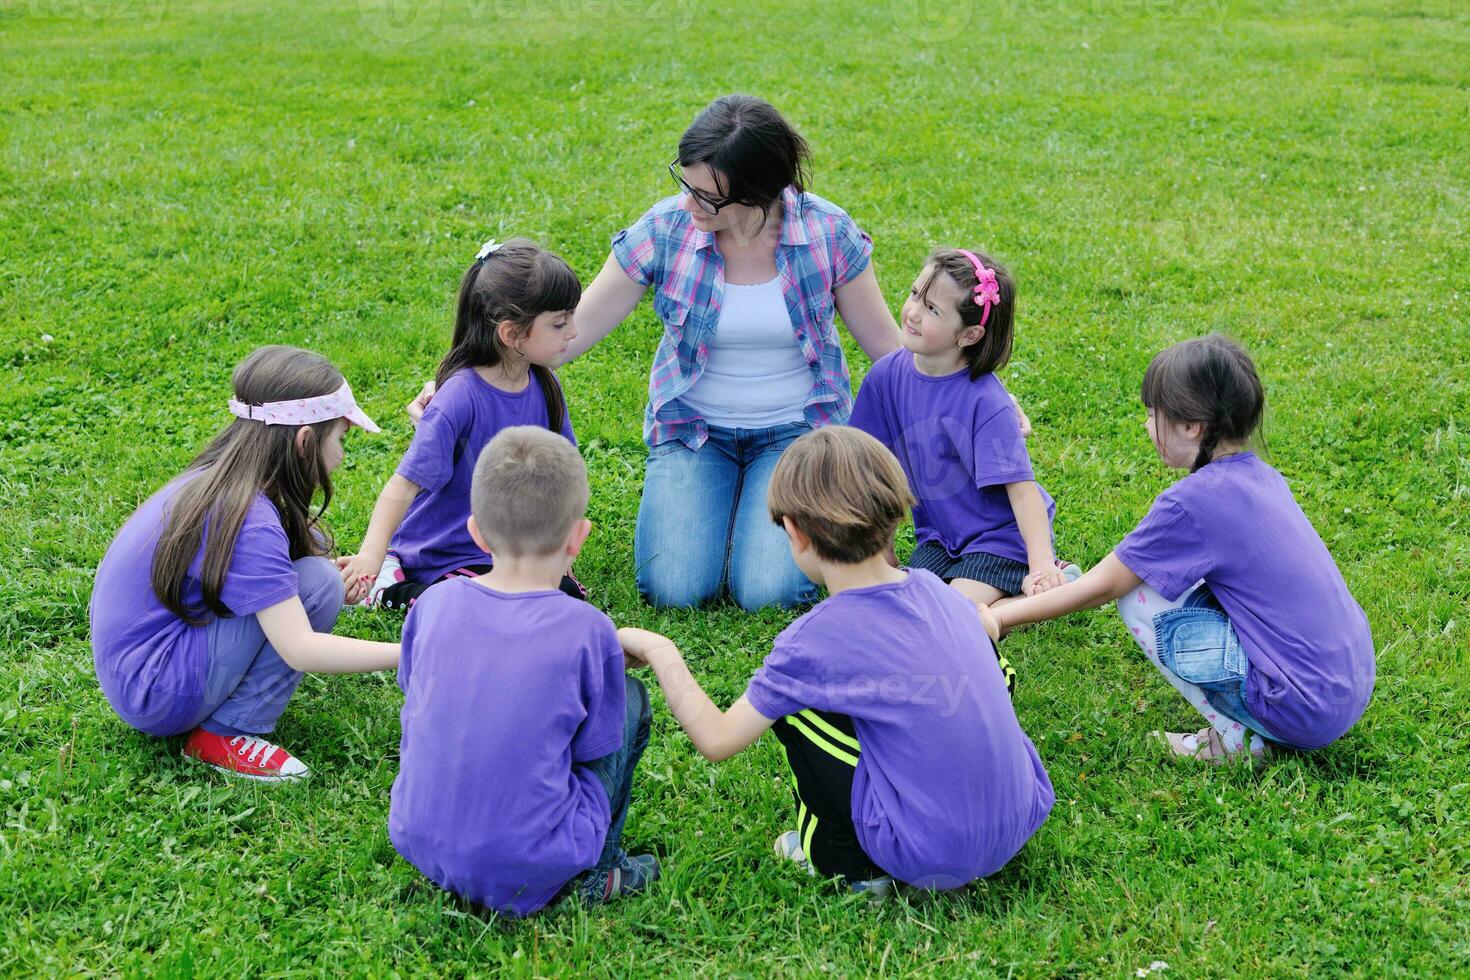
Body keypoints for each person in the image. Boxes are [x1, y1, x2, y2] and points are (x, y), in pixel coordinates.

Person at [619, 427, 1054, 894]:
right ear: (896, 513)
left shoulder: (810, 644)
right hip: (1022, 815)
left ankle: (848, 862)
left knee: (798, 705)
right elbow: (985, 629)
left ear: (795, 532)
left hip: (928, 854)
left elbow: (718, 739)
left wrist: (660, 651)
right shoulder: (941, 591)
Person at [982, 336, 1375, 764]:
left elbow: (1105, 585)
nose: (1147, 426)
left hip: (1300, 708)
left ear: (1192, 426)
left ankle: (1237, 741)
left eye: (1153, 414)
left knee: (1138, 594)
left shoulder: (1191, 502)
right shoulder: (1263, 477)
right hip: (1348, 686)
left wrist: (997, 617)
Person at [90, 346, 400, 781]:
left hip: (138, 674)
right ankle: (226, 734)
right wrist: (415, 654)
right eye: (340, 440)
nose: (342, 457)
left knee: (319, 578)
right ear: (304, 440)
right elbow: (300, 648)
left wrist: (325, 572)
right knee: (318, 585)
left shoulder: (222, 483)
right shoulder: (248, 520)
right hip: (157, 691)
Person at [389, 427, 656, 916]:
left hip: (418, 838)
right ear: (579, 537)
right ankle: (598, 872)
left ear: (475, 531)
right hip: (532, 861)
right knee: (631, 700)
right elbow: (592, 742)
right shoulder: (589, 629)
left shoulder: (432, 602)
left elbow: (417, 692)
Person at [339, 238, 586, 609]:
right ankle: (393, 589)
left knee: (562, 596)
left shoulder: (546, 387)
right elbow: (404, 485)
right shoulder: (459, 398)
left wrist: (556, 547)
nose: (573, 332)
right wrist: (369, 559)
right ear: (511, 334)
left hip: (510, 546)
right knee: (474, 605)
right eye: (559, 323)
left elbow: (563, 474)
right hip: (448, 552)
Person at [850, 247, 1076, 614]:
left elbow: (1022, 492)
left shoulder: (987, 402)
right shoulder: (885, 378)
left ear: (969, 335)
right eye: (914, 294)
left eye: (933, 310)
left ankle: (1049, 587)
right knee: (902, 602)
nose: (913, 312)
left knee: (948, 612)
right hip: (939, 539)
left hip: (999, 541)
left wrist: (1041, 566)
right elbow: (872, 471)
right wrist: (881, 547)